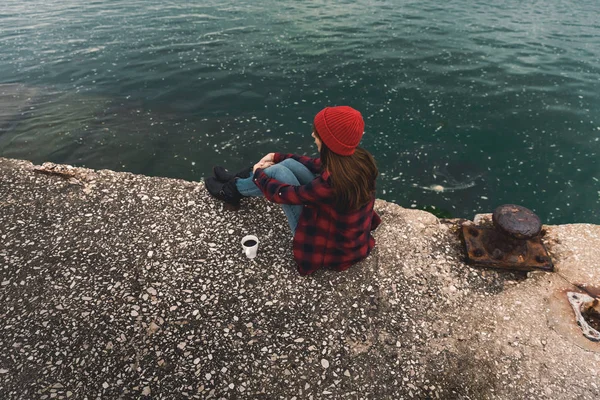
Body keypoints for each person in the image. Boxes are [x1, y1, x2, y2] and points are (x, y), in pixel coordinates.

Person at [205, 106, 381, 275]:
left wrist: (259, 174)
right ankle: (238, 180)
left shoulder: (332, 184)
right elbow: (314, 164)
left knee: (276, 172)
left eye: (318, 133)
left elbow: (284, 195)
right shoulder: (357, 160)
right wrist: (278, 156)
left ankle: (232, 189)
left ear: (329, 142)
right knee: (286, 165)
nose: (313, 134)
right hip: (344, 236)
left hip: (331, 248)